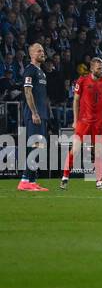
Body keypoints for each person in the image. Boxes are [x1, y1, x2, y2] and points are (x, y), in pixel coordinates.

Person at [61, 55, 102, 190]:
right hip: (84, 122)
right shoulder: (82, 80)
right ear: (92, 68)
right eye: (99, 68)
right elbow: (76, 100)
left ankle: (99, 181)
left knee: (98, 152)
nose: (101, 70)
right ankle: (65, 177)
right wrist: (75, 120)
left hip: (99, 123)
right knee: (76, 149)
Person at [18, 43, 51, 192]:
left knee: (39, 147)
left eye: (43, 51)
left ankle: (31, 181)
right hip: (34, 115)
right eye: (38, 51)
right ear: (31, 54)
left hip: (42, 114)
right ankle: (24, 180)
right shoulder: (30, 70)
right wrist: (34, 112)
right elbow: (27, 92)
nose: (42, 53)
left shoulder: (41, 72)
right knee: (35, 146)